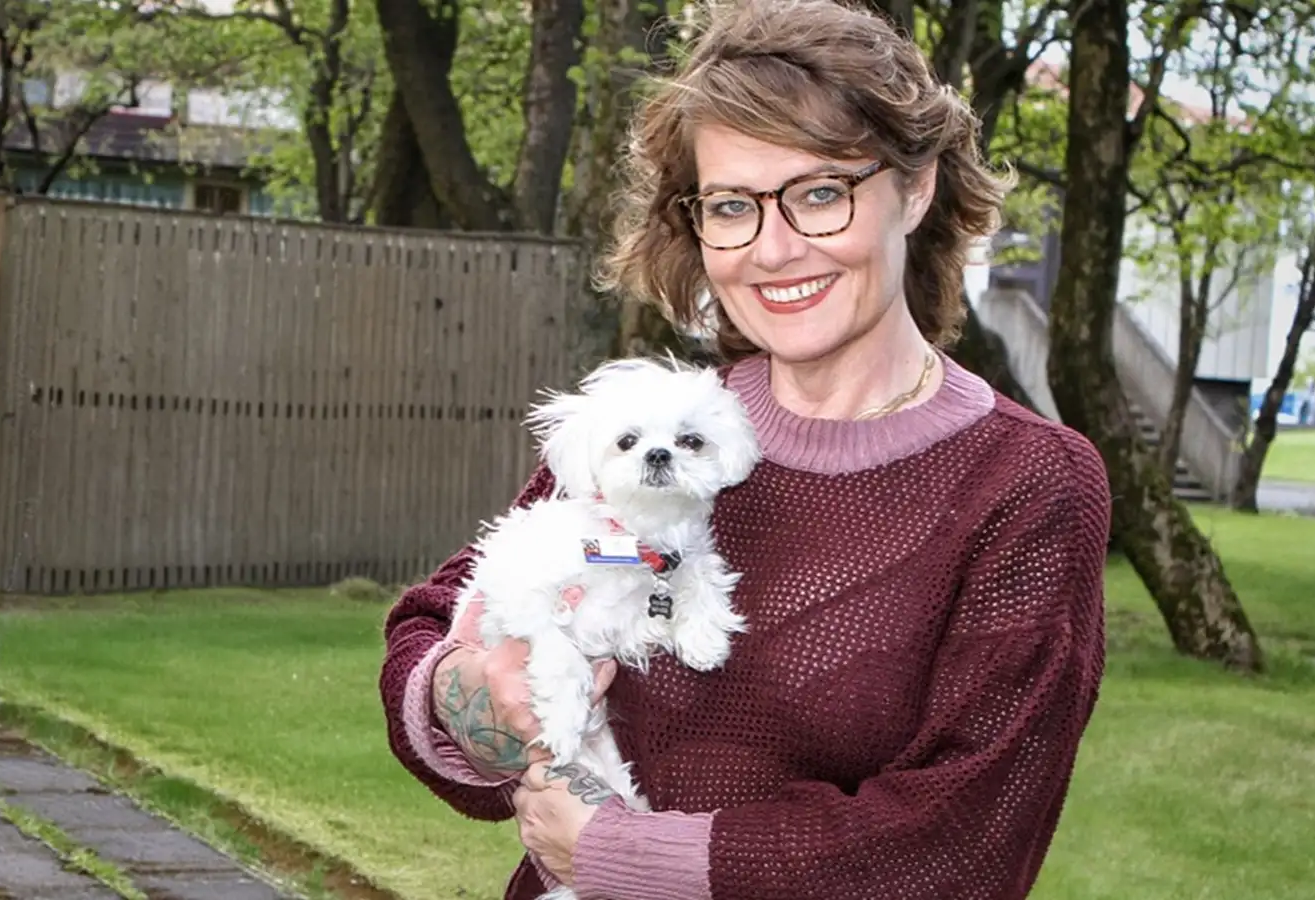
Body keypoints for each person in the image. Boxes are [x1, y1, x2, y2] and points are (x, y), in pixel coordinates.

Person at [377, 1, 1113, 898]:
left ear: (916, 188)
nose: (773, 249)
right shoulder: (663, 429)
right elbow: (439, 625)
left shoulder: (1026, 482)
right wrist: (478, 693)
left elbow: (965, 842)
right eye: (732, 206)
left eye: (820, 193)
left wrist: (625, 856)